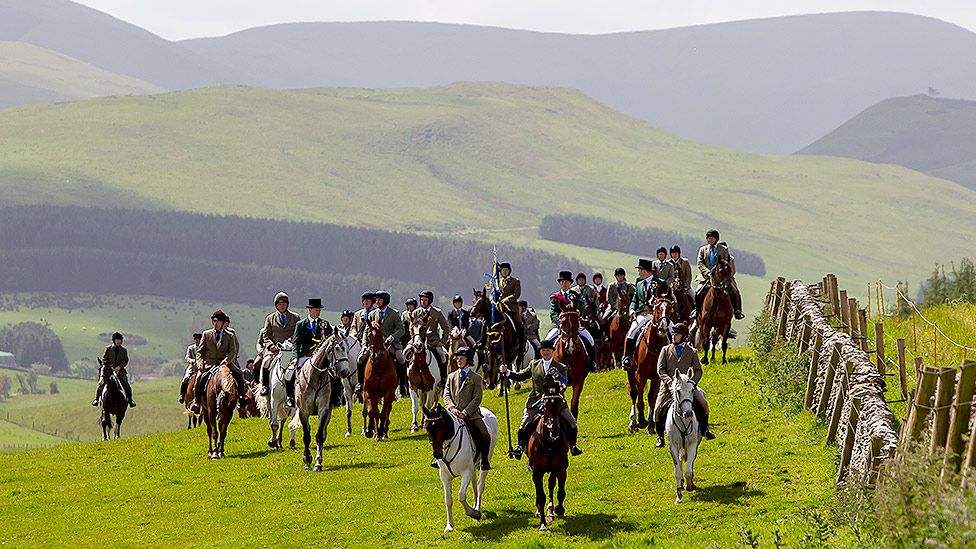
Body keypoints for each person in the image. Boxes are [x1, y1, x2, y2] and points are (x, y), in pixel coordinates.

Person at [502, 340, 583, 459]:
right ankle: (519, 446)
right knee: (524, 423)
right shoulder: (534, 364)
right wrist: (507, 372)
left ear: (552, 352)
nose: (545, 353)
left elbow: (564, 384)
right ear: (540, 352)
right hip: (536, 401)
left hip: (555, 399)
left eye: (548, 351)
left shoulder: (561, 367)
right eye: (543, 351)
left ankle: (573, 445)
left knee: (571, 421)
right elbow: (521, 376)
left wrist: (555, 392)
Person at [653, 323, 715, 447]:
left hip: (687, 387)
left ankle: (705, 430)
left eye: (677, 335)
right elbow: (660, 370)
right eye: (673, 334)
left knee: (704, 404)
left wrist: (692, 382)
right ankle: (660, 437)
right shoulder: (665, 350)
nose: (673, 337)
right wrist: (669, 381)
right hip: (668, 387)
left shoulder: (691, 352)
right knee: (657, 409)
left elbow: (698, 370)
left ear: (684, 336)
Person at [441, 347, 491, 470]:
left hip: (471, 414)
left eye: (461, 359)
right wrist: (452, 408)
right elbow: (446, 395)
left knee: (485, 434)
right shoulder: (451, 376)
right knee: (439, 432)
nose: (458, 361)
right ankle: (439, 459)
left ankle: (484, 460)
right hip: (453, 413)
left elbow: (477, 398)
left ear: (468, 360)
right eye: (457, 359)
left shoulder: (476, 378)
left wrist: (465, 412)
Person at [190, 310, 248, 415]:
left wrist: (227, 360)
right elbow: (200, 351)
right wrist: (199, 362)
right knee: (199, 378)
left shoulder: (229, 336)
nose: (215, 323)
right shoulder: (206, 334)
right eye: (213, 321)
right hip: (209, 363)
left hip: (225, 363)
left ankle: (241, 397)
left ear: (222, 322)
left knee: (239, 373)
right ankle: (197, 402)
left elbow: (233, 351)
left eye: (217, 321)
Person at [287, 298, 333, 407]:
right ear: (310, 310)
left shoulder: (325, 324)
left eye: (319, 310)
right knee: (288, 374)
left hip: (322, 358)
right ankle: (290, 397)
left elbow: (331, 340)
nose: (318, 312)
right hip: (305, 356)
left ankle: (335, 398)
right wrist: (295, 357)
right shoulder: (301, 324)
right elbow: (295, 343)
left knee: (334, 374)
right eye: (316, 310)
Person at [546, 270, 595, 369]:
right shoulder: (555, 297)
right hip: (560, 325)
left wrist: (576, 315)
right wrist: (559, 322)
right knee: (546, 341)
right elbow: (553, 313)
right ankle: (544, 365)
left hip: (574, 325)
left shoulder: (576, 295)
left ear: (570, 283)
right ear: (560, 283)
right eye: (562, 282)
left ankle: (591, 362)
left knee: (590, 339)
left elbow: (581, 309)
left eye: (566, 282)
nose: (564, 284)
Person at [254, 291, 300, 397]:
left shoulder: (295, 317)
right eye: (279, 304)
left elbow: (298, 332)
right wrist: (270, 345)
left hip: (290, 350)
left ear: (287, 304)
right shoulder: (270, 318)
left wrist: (291, 340)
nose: (282, 306)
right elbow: (266, 335)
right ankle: (265, 386)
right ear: (276, 305)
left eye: (284, 304)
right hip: (275, 350)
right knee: (265, 362)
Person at [696, 229, 744, 320]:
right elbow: (700, 263)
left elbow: (725, 262)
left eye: (711, 238)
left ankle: (738, 311)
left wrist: (717, 273)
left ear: (716, 239)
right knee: (698, 292)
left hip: (721, 276)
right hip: (706, 277)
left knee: (735, 291)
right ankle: (697, 311)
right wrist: (708, 273)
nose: (709, 240)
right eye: (708, 238)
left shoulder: (723, 249)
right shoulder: (702, 249)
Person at [368, 291, 408, 397]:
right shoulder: (372, 314)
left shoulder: (393, 314)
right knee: (361, 358)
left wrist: (392, 337)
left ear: (385, 301)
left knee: (401, 358)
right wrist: (364, 344)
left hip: (392, 345)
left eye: (379, 299)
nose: (377, 301)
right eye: (376, 299)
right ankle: (361, 383)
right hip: (375, 345)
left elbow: (401, 329)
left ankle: (404, 384)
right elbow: (366, 331)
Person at [622, 259, 657, 370]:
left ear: (647, 271)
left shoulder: (660, 282)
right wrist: (631, 310)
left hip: (656, 315)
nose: (639, 273)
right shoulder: (639, 284)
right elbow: (634, 300)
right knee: (631, 332)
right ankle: (627, 357)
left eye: (641, 270)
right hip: (643, 314)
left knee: (671, 330)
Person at [411, 290, 451, 382]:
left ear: (430, 301)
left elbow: (445, 328)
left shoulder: (437, 312)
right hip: (418, 341)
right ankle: (408, 378)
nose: (423, 302)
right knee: (406, 353)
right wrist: (414, 339)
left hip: (433, 341)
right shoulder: (415, 313)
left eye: (425, 300)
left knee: (442, 356)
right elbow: (411, 328)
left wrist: (442, 341)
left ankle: (443, 378)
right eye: (421, 300)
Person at [93, 332, 134, 407]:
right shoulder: (108, 348)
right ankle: (96, 399)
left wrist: (119, 367)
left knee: (126, 385)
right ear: (114, 340)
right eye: (117, 340)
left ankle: (130, 400)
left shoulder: (124, 350)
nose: (119, 341)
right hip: (109, 371)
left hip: (120, 372)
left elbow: (125, 361)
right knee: (101, 384)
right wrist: (109, 367)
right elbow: (104, 359)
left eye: (120, 340)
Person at [352, 292, 376, 397]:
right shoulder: (358, 314)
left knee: (362, 358)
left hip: (371, 341)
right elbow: (353, 326)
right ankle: (359, 383)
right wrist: (353, 334)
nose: (366, 302)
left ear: (372, 302)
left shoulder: (375, 313)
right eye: (364, 301)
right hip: (358, 341)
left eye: (368, 300)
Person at [179, 332, 203, 403]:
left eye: (198, 339)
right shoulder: (190, 348)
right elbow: (187, 357)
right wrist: (193, 361)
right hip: (192, 368)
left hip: (201, 368)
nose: (197, 341)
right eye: (196, 339)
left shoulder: (204, 348)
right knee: (185, 380)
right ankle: (182, 395)